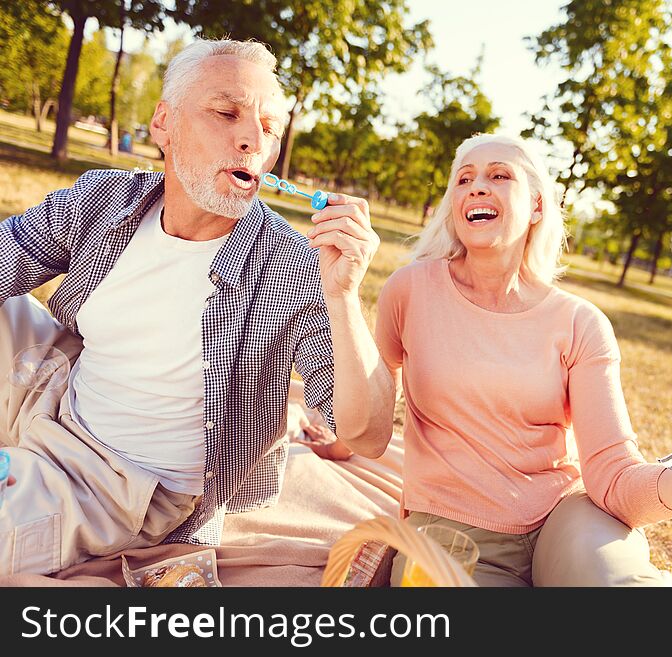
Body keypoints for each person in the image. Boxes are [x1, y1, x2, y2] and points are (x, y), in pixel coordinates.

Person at [0, 38, 393, 576]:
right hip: (53, 387)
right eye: (226, 112)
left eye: (270, 127)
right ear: (164, 123)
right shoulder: (106, 198)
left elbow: (366, 435)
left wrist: (345, 294)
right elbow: (12, 252)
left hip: (117, 484)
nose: (253, 139)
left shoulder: (290, 266)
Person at [365, 133, 672, 587]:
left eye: (499, 175)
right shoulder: (410, 291)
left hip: (564, 518)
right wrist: (336, 438)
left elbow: (614, 478)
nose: (477, 187)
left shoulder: (580, 322)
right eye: (464, 179)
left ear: (538, 207)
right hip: (448, 532)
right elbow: (372, 399)